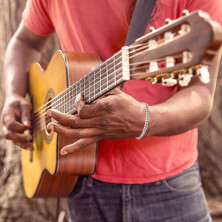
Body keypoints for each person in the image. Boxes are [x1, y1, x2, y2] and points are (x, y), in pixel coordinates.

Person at [1, 0, 222, 221]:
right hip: (79, 178)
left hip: (168, 184)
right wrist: (14, 94)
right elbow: (25, 42)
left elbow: (200, 94)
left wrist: (146, 120)